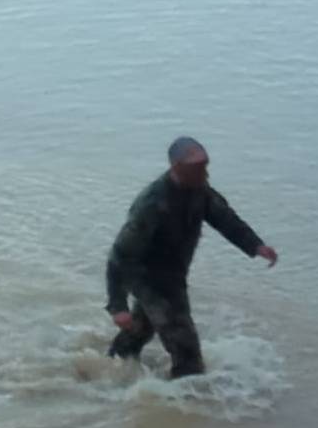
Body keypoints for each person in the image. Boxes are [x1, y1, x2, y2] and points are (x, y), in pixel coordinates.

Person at [104, 137, 277, 378]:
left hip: (174, 274)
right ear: (176, 168)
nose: (205, 175)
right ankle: (184, 402)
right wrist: (117, 306)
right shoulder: (152, 204)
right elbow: (120, 256)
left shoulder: (199, 190)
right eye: (198, 170)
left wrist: (256, 246)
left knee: (142, 328)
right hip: (150, 279)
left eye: (205, 168)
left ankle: (108, 370)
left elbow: (225, 219)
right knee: (187, 353)